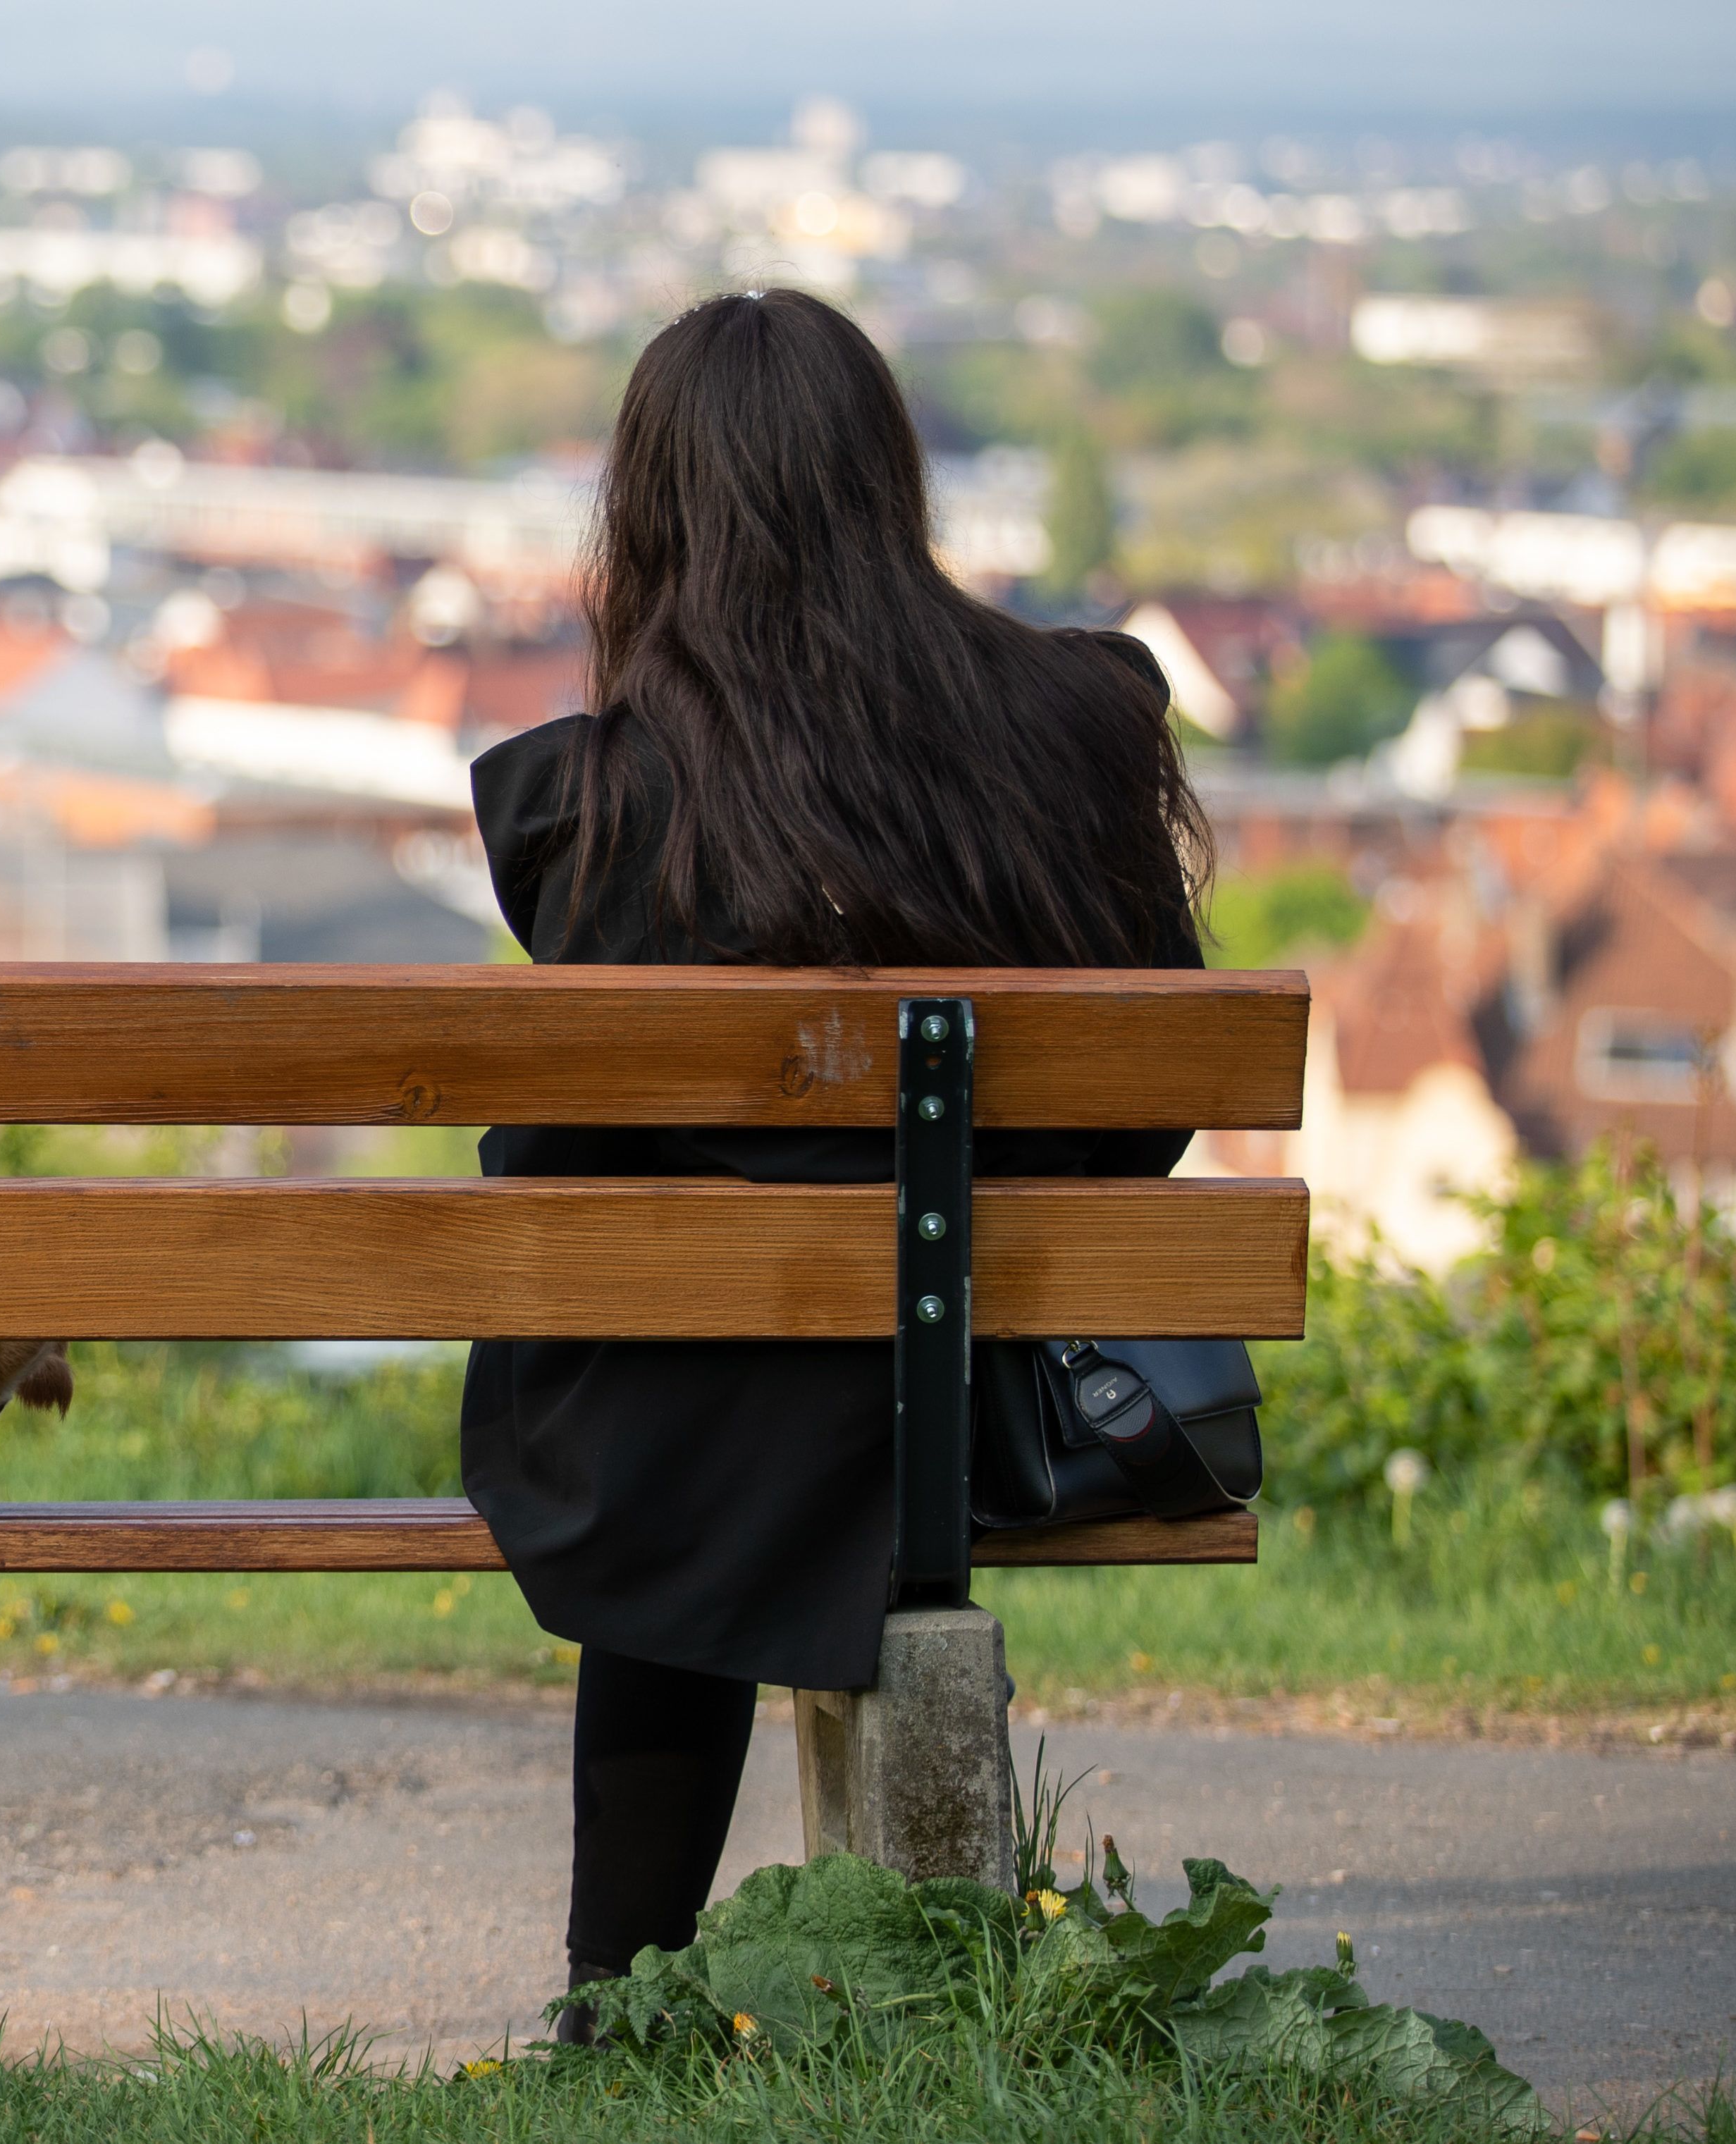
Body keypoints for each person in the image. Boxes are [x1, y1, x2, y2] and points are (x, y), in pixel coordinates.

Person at [459, 289, 1205, 2032]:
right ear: (886, 483)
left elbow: (563, 1146)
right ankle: (894, 1988)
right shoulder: (1072, 725)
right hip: (981, 1394)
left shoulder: (604, 798)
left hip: (679, 1430)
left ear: (647, 512)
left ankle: (613, 1994)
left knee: (670, 1388)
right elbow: (1147, 1104)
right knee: (743, 1367)